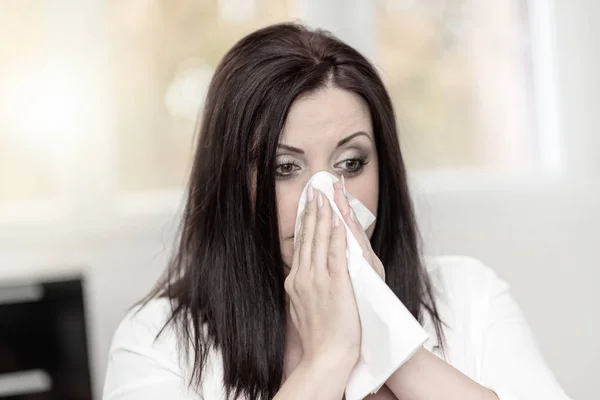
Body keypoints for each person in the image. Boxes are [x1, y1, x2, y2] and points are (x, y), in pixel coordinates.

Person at [102, 23, 572, 400]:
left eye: (350, 163)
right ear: (231, 184)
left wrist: (385, 333)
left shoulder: (469, 294)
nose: (326, 198)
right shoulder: (158, 341)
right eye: (284, 167)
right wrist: (328, 357)